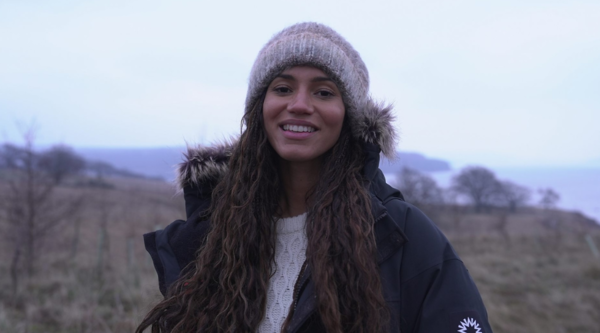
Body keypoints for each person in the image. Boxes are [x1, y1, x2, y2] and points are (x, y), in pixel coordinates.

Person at [137, 22, 493, 333]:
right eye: (283, 88)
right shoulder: (211, 232)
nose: (300, 104)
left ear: (349, 115)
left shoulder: (400, 235)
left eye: (323, 92)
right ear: (260, 107)